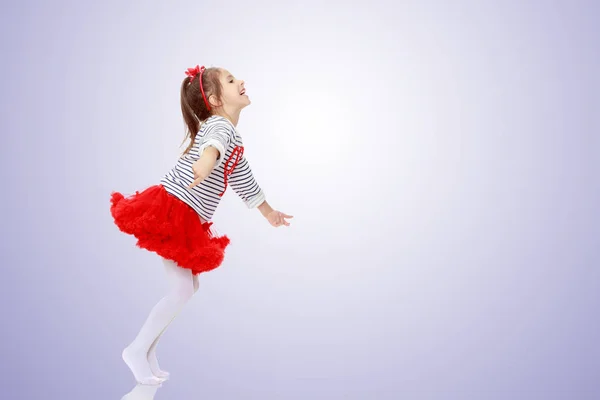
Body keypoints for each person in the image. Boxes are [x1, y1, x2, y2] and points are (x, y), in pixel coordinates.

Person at [110, 65, 293, 385]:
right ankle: (136, 349)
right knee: (182, 288)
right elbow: (213, 148)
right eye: (232, 80)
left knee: (188, 287)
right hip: (172, 211)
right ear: (215, 99)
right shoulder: (219, 127)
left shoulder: (232, 138)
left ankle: (147, 349)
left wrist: (268, 211)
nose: (242, 82)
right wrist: (206, 161)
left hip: (189, 217)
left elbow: (242, 178)